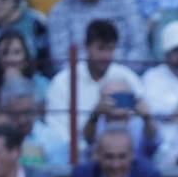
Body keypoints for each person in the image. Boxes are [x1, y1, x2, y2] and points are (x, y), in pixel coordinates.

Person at [45, 19, 145, 149]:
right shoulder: (62, 82)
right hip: (75, 157)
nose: (105, 56)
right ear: (86, 46)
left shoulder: (128, 78)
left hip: (121, 156)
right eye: (101, 48)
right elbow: (58, 133)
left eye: (110, 49)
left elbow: (142, 123)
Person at [0, 77, 72, 167]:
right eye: (16, 114)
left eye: (27, 112)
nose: (23, 120)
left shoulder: (53, 140)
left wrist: (43, 163)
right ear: (5, 112)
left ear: (35, 109)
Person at [0, 29, 52, 115]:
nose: (11, 59)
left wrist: (19, 84)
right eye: (5, 53)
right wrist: (10, 85)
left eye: (17, 52)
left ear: (26, 58)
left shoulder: (42, 84)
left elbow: (46, 114)